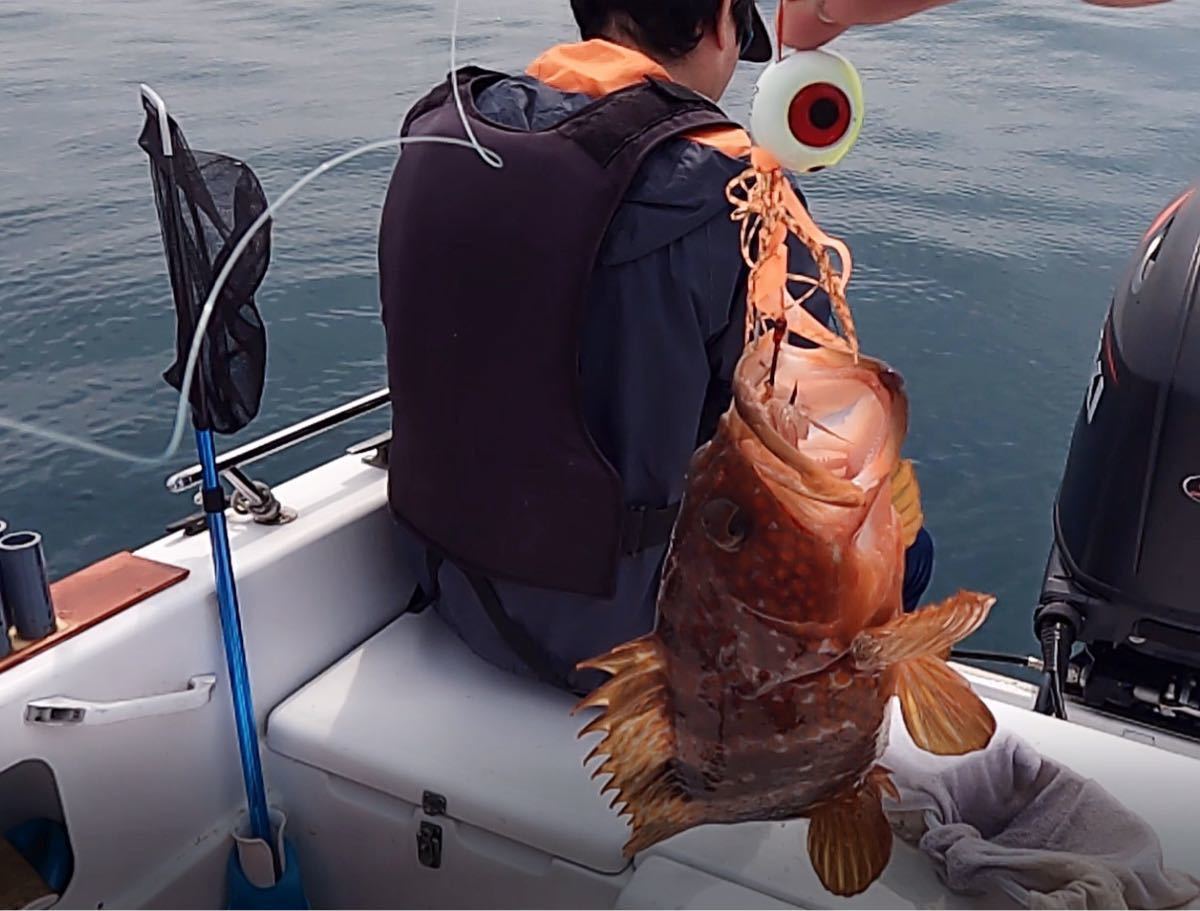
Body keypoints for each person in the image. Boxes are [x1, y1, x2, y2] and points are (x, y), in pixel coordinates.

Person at [377, 0, 1161, 696]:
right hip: (623, 659)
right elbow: (830, 456)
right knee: (897, 539)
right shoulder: (733, 190)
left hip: (447, 583)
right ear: (720, 22)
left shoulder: (453, 127)